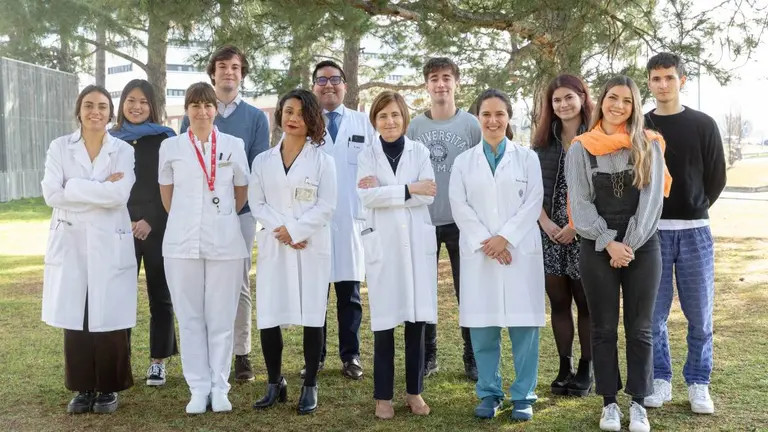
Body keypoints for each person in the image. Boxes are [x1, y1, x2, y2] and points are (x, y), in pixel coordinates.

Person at [566, 75, 671, 432]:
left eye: (627, 101)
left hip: (642, 244)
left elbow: (652, 202)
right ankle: (610, 403)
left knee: (641, 327)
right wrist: (608, 241)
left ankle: (638, 403)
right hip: (597, 246)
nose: (618, 106)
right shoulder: (580, 147)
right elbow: (579, 205)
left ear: (634, 107)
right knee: (603, 327)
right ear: (601, 101)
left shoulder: (649, 144)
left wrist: (629, 244)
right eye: (613, 98)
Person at [41, 84, 137, 414]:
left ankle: (108, 389)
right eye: (88, 105)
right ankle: (83, 388)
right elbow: (52, 194)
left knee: (109, 316)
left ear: (111, 113)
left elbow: (120, 195)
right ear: (78, 110)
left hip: (111, 240)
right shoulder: (59, 147)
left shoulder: (123, 150)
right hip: (71, 241)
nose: (95, 111)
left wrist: (76, 189)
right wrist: (99, 189)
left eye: (102, 106)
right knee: (77, 313)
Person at [449, 89, 544, 421]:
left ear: (509, 117)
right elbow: (459, 206)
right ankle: (489, 392)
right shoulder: (463, 162)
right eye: (486, 114)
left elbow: (533, 202)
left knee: (524, 326)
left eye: (499, 114)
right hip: (481, 254)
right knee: (483, 324)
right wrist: (486, 241)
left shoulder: (527, 158)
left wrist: (505, 238)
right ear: (478, 118)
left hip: (518, 251)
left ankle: (523, 395)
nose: (493, 120)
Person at [180, 45, 271, 382]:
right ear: (213, 72)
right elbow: (184, 162)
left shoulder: (256, 118)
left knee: (237, 284)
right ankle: (205, 356)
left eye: (235, 67)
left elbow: (257, 167)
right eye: (222, 66)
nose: (228, 72)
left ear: (241, 73)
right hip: (199, 215)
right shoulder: (194, 112)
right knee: (202, 283)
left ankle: (241, 353)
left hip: (240, 214)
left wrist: (231, 210)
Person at [159, 82, 249, 414]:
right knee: (190, 316)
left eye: (207, 105)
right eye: (195, 105)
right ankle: (198, 388)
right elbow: (166, 193)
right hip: (181, 243)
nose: (201, 111)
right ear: (186, 110)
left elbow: (241, 191)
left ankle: (219, 386)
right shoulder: (171, 148)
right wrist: (186, 219)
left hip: (224, 242)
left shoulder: (233, 145)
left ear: (215, 110)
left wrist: (221, 217)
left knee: (221, 317)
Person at [643, 52, 725, 414]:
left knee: (700, 315)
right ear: (648, 82)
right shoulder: (640, 125)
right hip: (652, 234)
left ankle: (698, 383)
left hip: (695, 232)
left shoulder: (703, 124)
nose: (663, 84)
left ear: (682, 80)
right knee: (653, 315)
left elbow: (717, 177)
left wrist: (695, 203)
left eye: (669, 78)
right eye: (656, 78)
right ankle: (660, 379)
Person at [250, 89, 337, 415]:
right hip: (276, 245)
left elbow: (327, 205)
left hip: (311, 245)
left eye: (300, 113)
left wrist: (298, 230)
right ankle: (275, 382)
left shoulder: (323, 161)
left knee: (313, 315)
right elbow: (257, 203)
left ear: (312, 118)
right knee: (270, 314)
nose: (293, 118)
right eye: (288, 111)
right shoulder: (262, 161)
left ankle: (310, 384)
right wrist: (285, 231)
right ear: (280, 115)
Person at [356, 91, 436, 419]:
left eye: (395, 115)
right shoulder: (367, 154)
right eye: (383, 116)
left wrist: (390, 192)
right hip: (383, 246)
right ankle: (383, 396)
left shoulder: (419, 151)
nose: (390, 122)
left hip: (416, 243)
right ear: (375, 120)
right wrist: (408, 189)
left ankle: (414, 392)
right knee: (384, 322)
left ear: (404, 117)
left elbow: (429, 194)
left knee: (416, 321)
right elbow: (365, 196)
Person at [406, 57, 482, 380]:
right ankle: (429, 355)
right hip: (424, 220)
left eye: (446, 78)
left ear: (456, 83)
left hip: (461, 222)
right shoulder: (415, 127)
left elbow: (481, 171)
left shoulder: (470, 125)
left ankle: (472, 355)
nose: (440, 84)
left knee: (468, 290)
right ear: (426, 85)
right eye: (434, 78)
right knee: (424, 291)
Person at [309, 60, 375, 380]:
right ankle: (315, 356)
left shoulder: (364, 123)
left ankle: (351, 356)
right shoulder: (305, 125)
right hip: (316, 223)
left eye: (335, 79)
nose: (329, 85)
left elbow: (376, 172)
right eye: (322, 80)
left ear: (346, 86)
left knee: (350, 294)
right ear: (313, 87)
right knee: (316, 293)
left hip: (352, 221)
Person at [111, 79, 178, 387]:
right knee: (119, 295)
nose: (136, 107)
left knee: (160, 294)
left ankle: (157, 362)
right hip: (119, 226)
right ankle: (118, 357)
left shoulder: (165, 138)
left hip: (157, 225)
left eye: (143, 101)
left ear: (153, 106)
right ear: (122, 103)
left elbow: (168, 184)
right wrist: (128, 219)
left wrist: (149, 219)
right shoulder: (111, 139)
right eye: (130, 100)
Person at [531, 74, 594, 396]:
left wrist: (577, 225)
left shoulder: (598, 138)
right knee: (558, 301)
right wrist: (544, 222)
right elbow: (529, 191)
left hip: (586, 233)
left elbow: (606, 193)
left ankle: (586, 367)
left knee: (586, 301)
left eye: (569, 97)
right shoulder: (542, 143)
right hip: (550, 232)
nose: (563, 104)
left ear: (582, 98)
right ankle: (564, 365)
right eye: (557, 100)